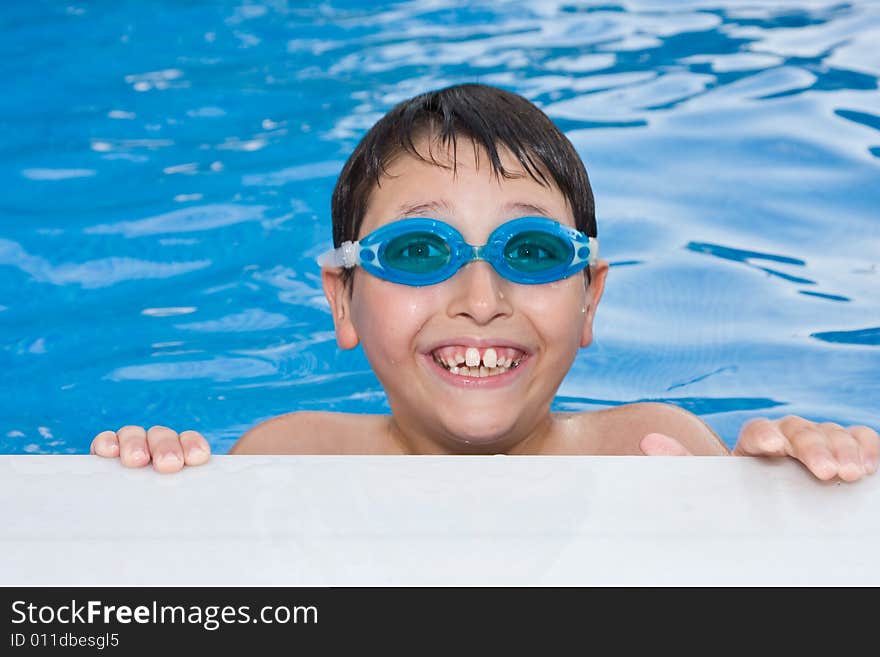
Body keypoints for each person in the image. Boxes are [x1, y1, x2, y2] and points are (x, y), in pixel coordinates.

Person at [91, 83, 878, 481]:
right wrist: (154, 475)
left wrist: (801, 484)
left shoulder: (653, 450)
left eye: (530, 252)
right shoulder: (289, 456)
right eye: (418, 251)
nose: (479, 299)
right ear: (343, 299)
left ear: (591, 297)